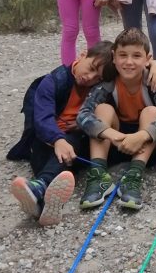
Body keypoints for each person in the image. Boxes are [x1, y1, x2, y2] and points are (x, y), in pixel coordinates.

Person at [10, 41, 114, 226]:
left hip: (77, 140)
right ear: (82, 55)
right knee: (44, 154)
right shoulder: (53, 81)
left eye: (97, 78)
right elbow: (42, 118)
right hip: (48, 138)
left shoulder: (99, 89)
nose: (89, 78)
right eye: (90, 68)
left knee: (70, 145)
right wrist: (57, 139)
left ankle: (39, 188)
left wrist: (80, 126)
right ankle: (43, 199)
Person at [76, 28, 156, 211]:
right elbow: (83, 114)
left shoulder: (154, 80)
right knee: (102, 109)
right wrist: (114, 136)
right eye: (123, 55)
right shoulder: (108, 82)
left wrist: (141, 136)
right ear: (114, 57)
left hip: (147, 147)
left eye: (136, 56)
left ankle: (133, 176)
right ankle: (98, 175)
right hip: (118, 144)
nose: (129, 62)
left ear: (148, 59)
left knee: (152, 111)